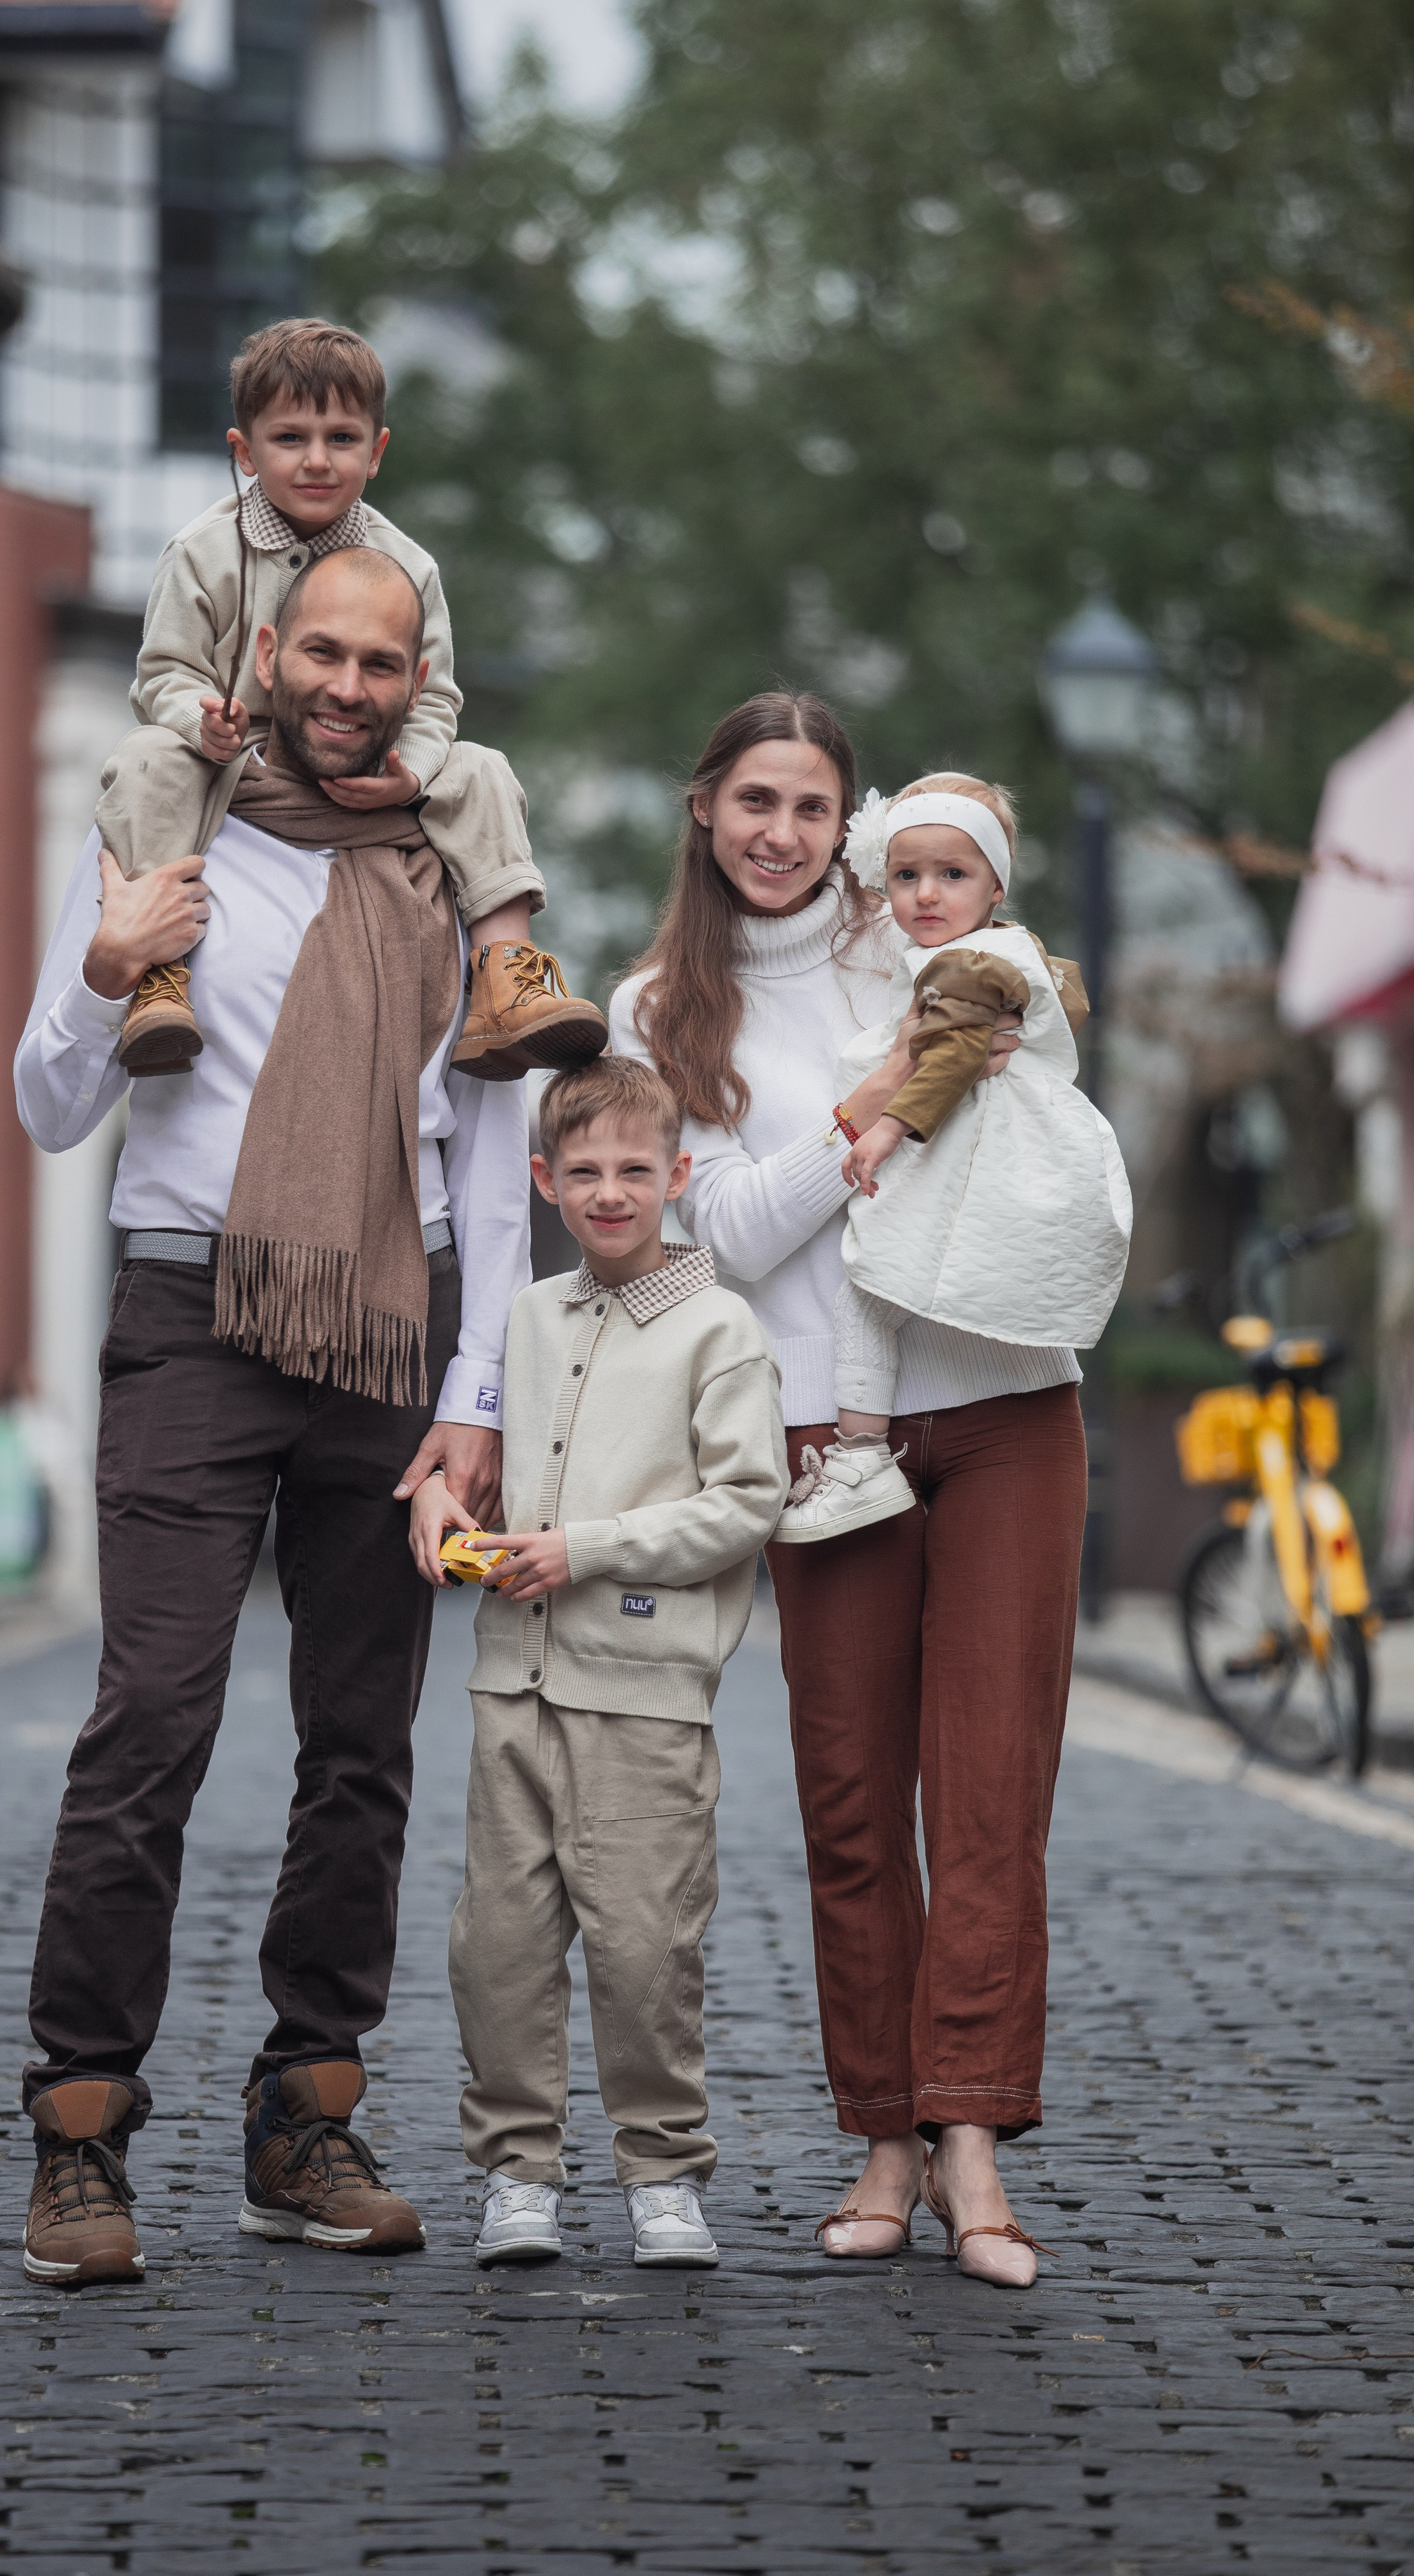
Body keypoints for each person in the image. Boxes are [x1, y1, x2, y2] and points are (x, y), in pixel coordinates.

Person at [13, 545, 531, 2285]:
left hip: (398, 1321)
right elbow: (45, 1104)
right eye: (321, 648)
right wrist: (106, 965)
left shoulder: (461, 857)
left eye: (381, 659)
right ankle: (79, 2128)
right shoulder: (163, 820)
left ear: (414, 673)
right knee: (149, 1718)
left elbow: (492, 1152)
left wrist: (476, 1400)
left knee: (362, 1741)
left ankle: (303, 2115)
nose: (349, 684)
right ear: (263, 647)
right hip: (189, 1307)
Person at [609, 692, 1088, 2290]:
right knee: (846, 1805)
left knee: (989, 1791)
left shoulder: (918, 934)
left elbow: (1035, 1045)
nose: (780, 834)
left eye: (810, 808)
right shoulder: (650, 1011)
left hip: (1004, 1405)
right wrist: (884, 1094)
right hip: (822, 1439)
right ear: (703, 805)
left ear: (849, 823)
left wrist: (923, 1048)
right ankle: (878, 2126)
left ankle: (965, 2138)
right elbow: (727, 1235)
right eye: (753, 799)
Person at [409, 1057, 787, 2271]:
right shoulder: (525, 1318)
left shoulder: (723, 1327)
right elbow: (489, 1471)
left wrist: (585, 1550)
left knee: (643, 1945)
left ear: (677, 1176)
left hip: (646, 1695)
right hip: (509, 1683)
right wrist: (439, 1508)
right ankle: (516, 2173)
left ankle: (662, 2173)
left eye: (636, 1169)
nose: (611, 1190)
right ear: (545, 1182)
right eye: (585, 1171)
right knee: (499, 1947)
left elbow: (747, 1503)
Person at [99, 314, 604, 1081]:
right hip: (232, 767)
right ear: (243, 452)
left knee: (483, 769)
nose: (316, 460)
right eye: (289, 438)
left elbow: (436, 702)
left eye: (340, 438)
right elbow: (163, 672)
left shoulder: (408, 566)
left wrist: (413, 771)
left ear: (377, 451)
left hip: (362, 761)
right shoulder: (201, 553)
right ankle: (158, 973)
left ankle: (506, 969)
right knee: (146, 761)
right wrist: (201, 721)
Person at [775, 772, 1128, 1542]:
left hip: (959, 1146)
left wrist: (884, 1129)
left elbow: (953, 1055)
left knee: (865, 1293)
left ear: (995, 885)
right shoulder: (1014, 953)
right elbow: (1062, 1005)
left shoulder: (966, 966)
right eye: (906, 876)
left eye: (952, 875)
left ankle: (862, 1453)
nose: (925, 894)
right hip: (985, 1145)